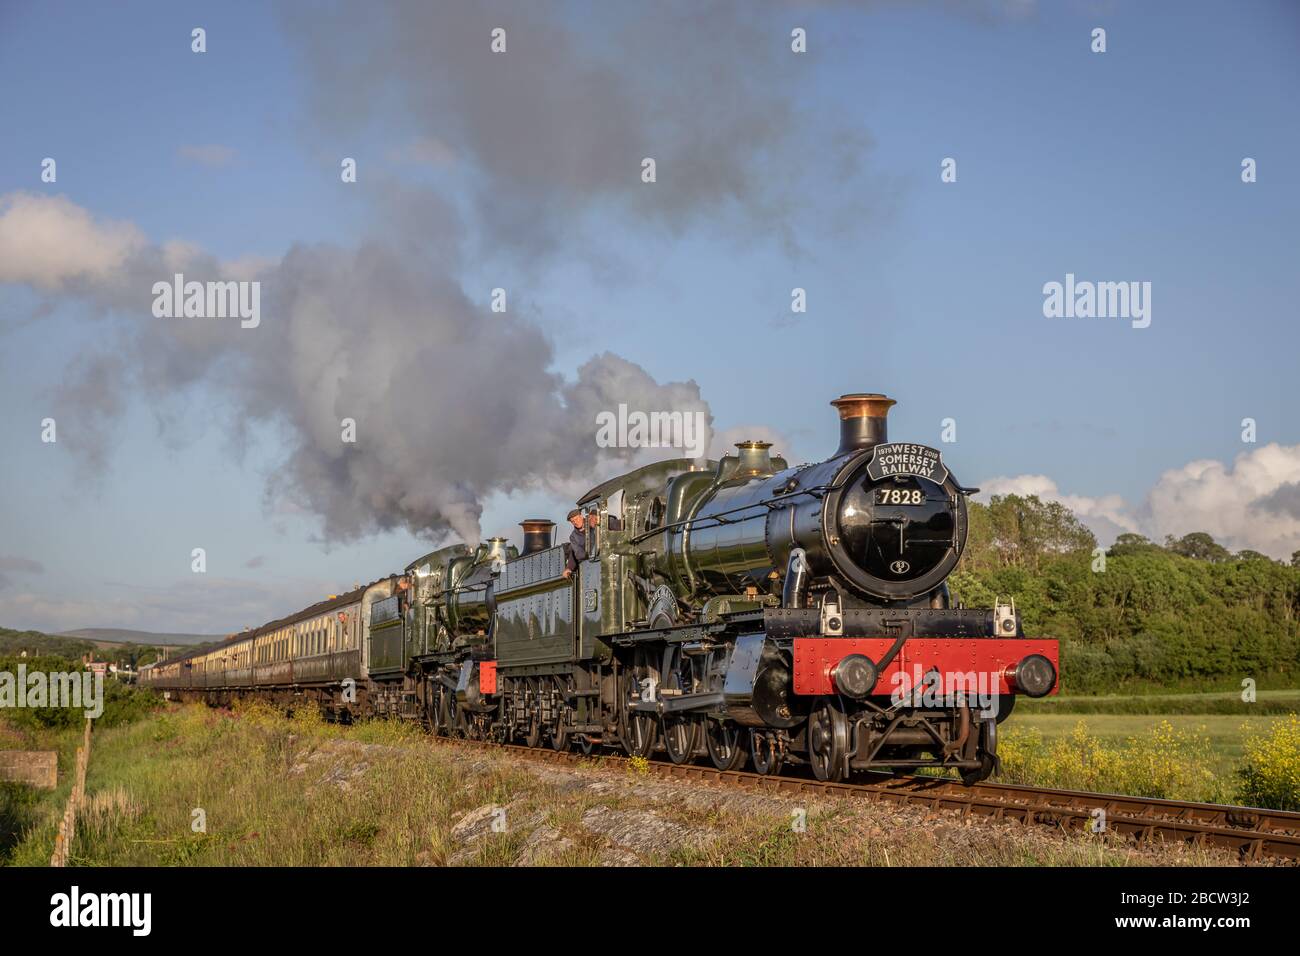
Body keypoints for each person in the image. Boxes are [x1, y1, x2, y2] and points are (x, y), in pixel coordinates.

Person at [563, 508, 586, 578]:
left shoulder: (594, 524)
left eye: (576, 519)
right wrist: (569, 568)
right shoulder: (573, 537)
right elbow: (576, 553)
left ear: (581, 516)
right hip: (587, 561)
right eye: (572, 521)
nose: (575, 522)